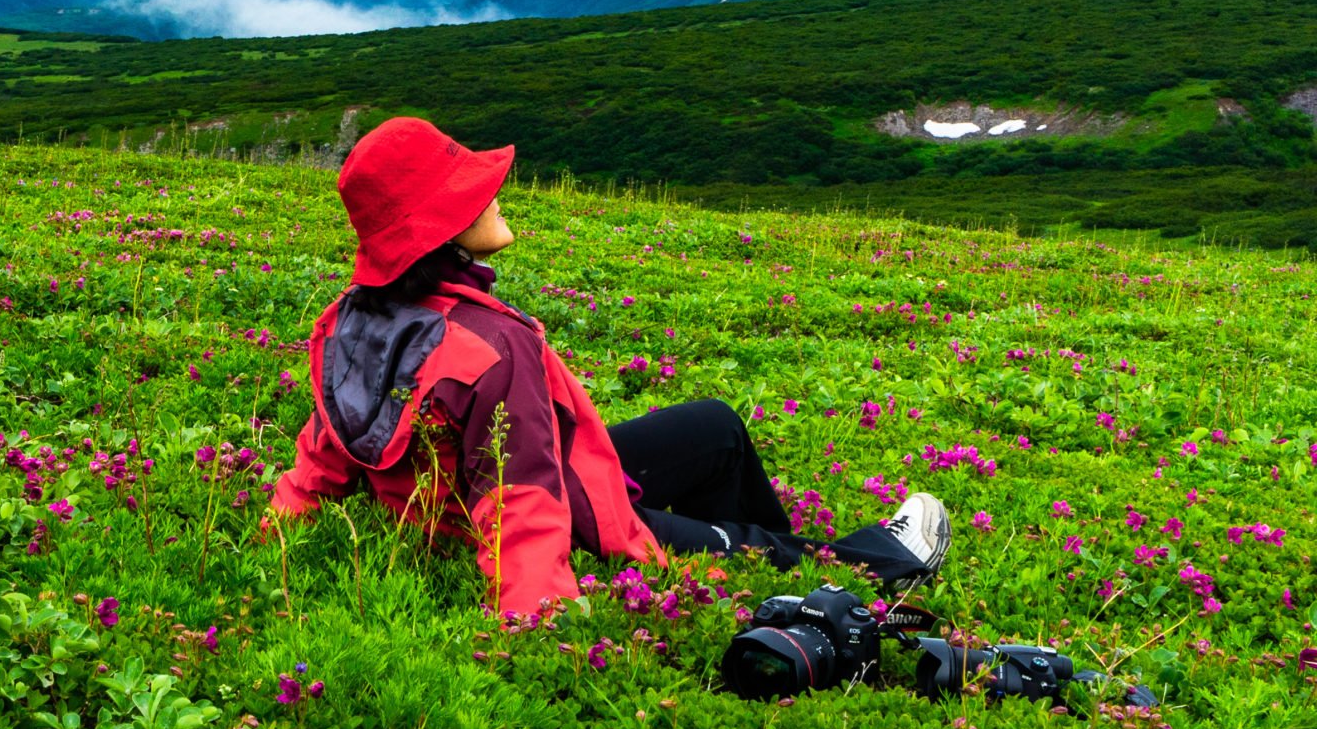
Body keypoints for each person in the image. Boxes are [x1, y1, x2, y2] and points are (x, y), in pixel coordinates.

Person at [270, 117, 950, 617]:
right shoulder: (490, 350)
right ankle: (874, 564)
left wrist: (279, 527)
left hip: (475, 496)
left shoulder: (355, 318)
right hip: (566, 513)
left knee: (715, 427)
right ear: (439, 227)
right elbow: (521, 496)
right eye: (470, 190)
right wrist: (536, 619)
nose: (496, 192)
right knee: (726, 543)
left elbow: (329, 442)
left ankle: (778, 561)